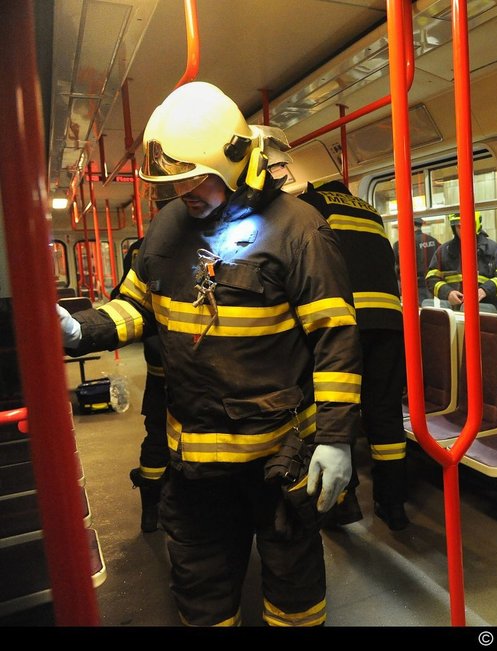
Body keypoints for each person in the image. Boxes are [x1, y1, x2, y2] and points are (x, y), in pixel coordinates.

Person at [57, 81, 362, 627]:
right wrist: (82, 331)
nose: (185, 194)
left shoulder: (300, 230)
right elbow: (136, 306)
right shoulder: (168, 226)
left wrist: (337, 440)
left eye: (196, 179)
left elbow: (335, 340)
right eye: (175, 184)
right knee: (200, 587)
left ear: (237, 163)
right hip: (193, 461)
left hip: (276, 457)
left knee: (294, 587)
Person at [298, 179, 410, 531]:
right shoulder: (371, 210)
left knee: (335, 407)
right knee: (386, 414)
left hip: (345, 321)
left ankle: (341, 503)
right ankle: (393, 506)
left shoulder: (310, 204)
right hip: (389, 321)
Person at [111, 238, 168, 533]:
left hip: (159, 358)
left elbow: (124, 296)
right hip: (196, 364)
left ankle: (152, 510)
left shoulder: (142, 246)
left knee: (157, 434)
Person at [425, 212, 497, 312]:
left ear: (476, 226)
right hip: (454, 315)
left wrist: (484, 290)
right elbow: (431, 279)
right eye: (459, 226)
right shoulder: (443, 251)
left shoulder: (493, 249)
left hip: (485, 313)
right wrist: (448, 293)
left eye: (467, 224)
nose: (463, 230)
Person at [395, 217, 440, 305]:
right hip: (431, 284)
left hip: (412, 286)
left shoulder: (401, 243)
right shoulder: (433, 241)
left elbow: (396, 268)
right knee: (429, 310)